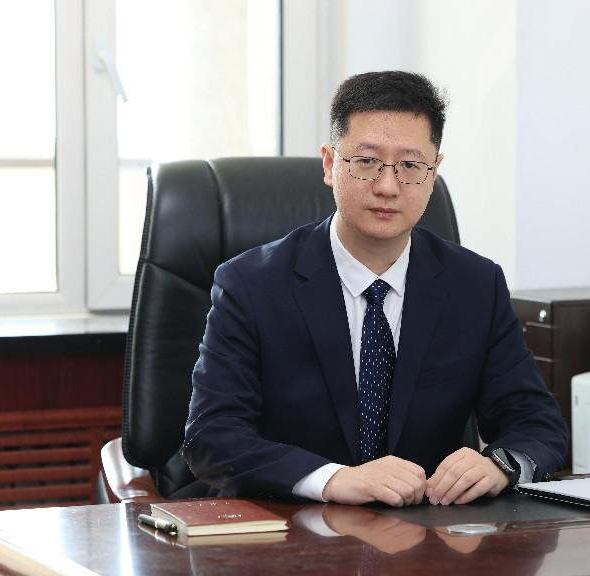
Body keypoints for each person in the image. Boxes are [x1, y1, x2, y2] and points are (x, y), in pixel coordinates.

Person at [183, 71, 567, 507]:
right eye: (366, 161)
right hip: (293, 524)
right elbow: (212, 436)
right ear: (329, 164)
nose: (387, 186)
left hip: (426, 530)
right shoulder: (251, 284)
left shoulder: (476, 285)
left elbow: (537, 424)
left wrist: (501, 464)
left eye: (410, 166)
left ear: (433, 172)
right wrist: (333, 480)